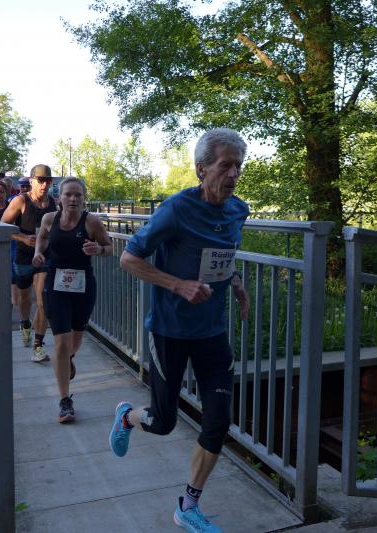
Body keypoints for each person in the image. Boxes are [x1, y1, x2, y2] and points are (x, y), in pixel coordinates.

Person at [108, 128, 250, 533]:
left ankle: (188, 505)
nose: (233, 174)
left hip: (212, 331)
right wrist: (178, 285)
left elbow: (221, 256)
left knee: (218, 421)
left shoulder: (238, 210)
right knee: (163, 421)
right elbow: (128, 259)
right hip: (169, 330)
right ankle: (127, 417)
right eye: (226, 165)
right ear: (202, 168)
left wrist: (236, 281)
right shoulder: (175, 210)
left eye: (238, 166)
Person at [32, 178, 112, 423]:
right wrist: (38, 252)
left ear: (84, 198)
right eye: (68, 194)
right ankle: (65, 401)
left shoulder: (91, 222)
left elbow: (109, 247)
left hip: (83, 287)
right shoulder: (49, 219)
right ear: (59, 198)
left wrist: (99, 250)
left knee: (74, 343)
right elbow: (42, 238)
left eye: (78, 195)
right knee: (61, 343)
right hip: (56, 285)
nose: (73, 199)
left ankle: (67, 360)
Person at [1, 164, 57, 362]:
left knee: (43, 301)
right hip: (24, 258)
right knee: (24, 299)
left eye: (48, 181)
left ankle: (38, 346)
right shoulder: (21, 201)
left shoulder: (54, 203)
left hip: (44, 257)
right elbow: (1, 225)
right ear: (32, 181)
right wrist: (23, 238)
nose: (44, 185)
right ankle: (25, 322)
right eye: (40, 180)